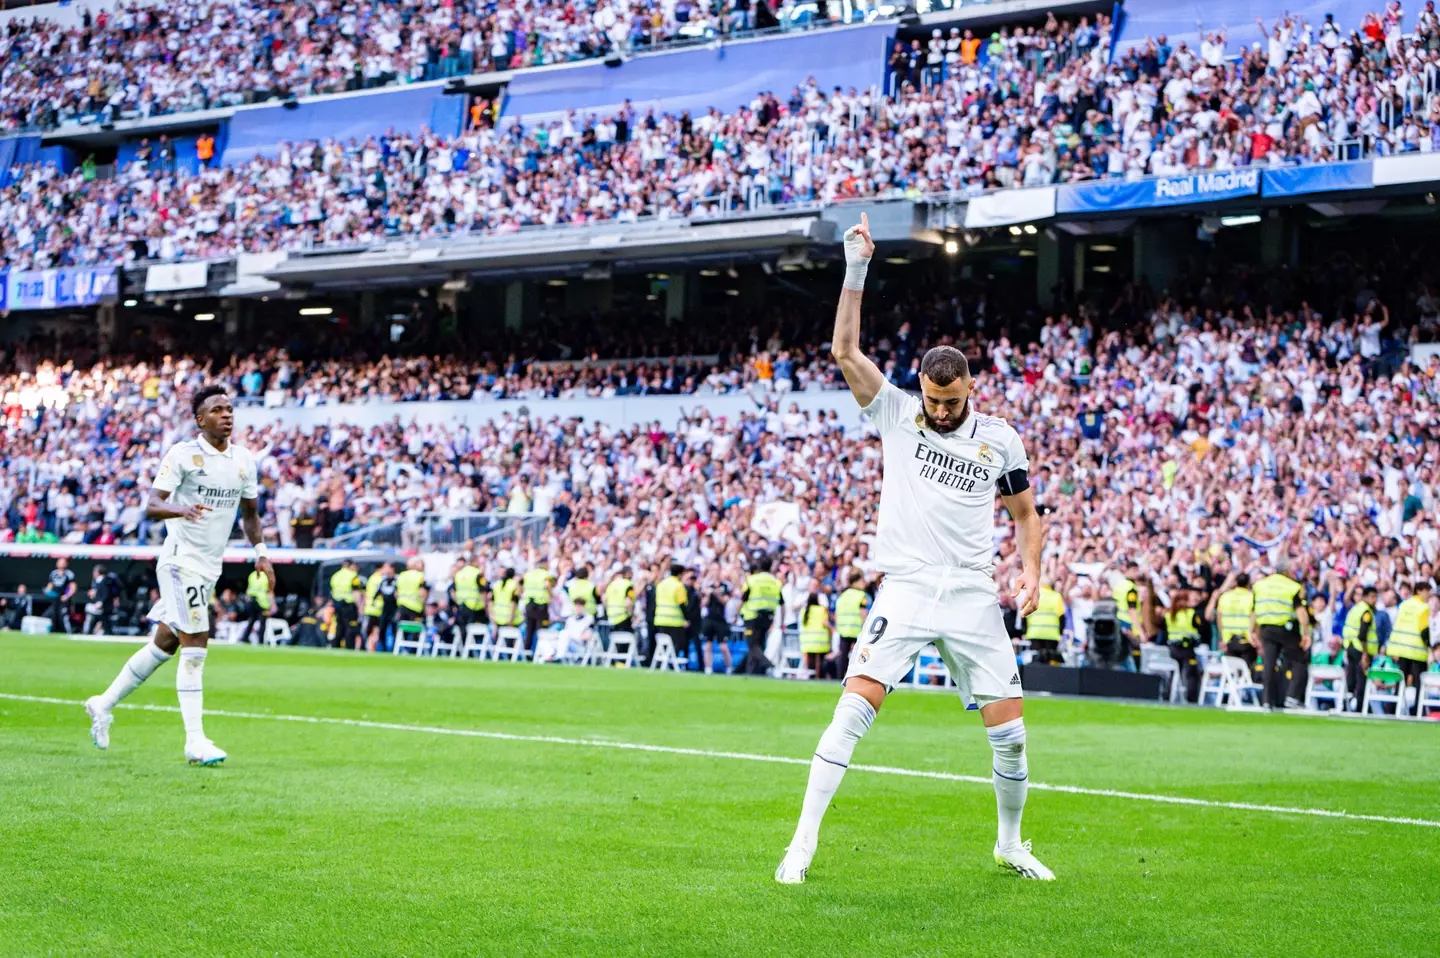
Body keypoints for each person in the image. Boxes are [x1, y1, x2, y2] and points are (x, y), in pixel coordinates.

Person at [776, 213, 1054, 884]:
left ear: (970, 389)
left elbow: (1025, 514)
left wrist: (1032, 571)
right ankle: (801, 844)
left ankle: (1010, 844)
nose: (940, 410)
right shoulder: (899, 413)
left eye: (950, 401)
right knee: (853, 710)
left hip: (972, 593)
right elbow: (845, 351)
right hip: (906, 587)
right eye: (933, 399)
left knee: (1011, 735)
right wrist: (857, 268)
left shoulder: (999, 439)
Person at [84, 384, 274, 766]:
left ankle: (102, 703)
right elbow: (153, 504)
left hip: (209, 567)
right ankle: (195, 742)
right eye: (217, 410)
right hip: (179, 561)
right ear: (200, 420)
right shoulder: (183, 455)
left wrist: (261, 553)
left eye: (229, 409)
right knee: (197, 644)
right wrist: (181, 509)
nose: (226, 415)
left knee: (165, 643)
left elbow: (250, 514)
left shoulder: (244, 460)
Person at [1251, 556, 1310, 710]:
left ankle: (1266, 701)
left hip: (1266, 629)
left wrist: (1252, 631)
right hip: (1286, 628)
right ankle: (1292, 696)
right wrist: (1306, 633)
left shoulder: (1260, 585)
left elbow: (1254, 611)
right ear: (1287, 570)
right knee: (1299, 661)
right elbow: (1300, 611)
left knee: (1269, 664)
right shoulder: (1292, 586)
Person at [1387, 581, 1433, 710]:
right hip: (1416, 650)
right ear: (1419, 591)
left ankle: (1394, 709)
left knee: (1401, 680)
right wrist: (1429, 647)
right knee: (1419, 682)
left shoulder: (1404, 605)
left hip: (1401, 648)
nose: (1429, 595)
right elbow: (1424, 630)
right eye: (1427, 591)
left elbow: (1398, 625)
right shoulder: (1423, 607)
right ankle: (1418, 710)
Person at [739, 555, 783, 674]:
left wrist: (736, 613)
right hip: (768, 617)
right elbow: (782, 603)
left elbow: (743, 598)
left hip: (752, 616)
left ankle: (767, 664)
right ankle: (752, 672)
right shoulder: (775, 582)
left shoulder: (752, 580)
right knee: (759, 644)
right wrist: (781, 621)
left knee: (752, 644)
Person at [1207, 571, 1257, 675]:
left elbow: (1219, 619)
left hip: (1229, 640)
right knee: (1246, 672)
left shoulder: (1225, 597)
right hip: (1246, 640)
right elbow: (1253, 617)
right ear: (1248, 583)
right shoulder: (1251, 597)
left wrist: (1222, 637)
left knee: (1232, 672)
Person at [1341, 585, 1378, 711]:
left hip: (1350, 646)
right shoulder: (1366, 612)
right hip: (1360, 649)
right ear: (1365, 597)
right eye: (1372, 597)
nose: (1374, 600)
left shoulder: (1355, 609)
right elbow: (1362, 635)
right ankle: (1360, 708)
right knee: (1361, 679)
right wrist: (1365, 654)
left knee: (1350, 679)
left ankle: (1345, 706)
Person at [651, 562, 690, 666]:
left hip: (660, 619)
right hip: (674, 621)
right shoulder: (678, 586)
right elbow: (682, 604)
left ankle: (662, 663)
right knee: (677, 644)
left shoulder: (661, 584)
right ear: (680, 574)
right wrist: (686, 619)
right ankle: (672, 664)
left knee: (663, 644)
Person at [832, 572, 869, 680]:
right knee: (860, 655)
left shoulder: (843, 595)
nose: (864, 583)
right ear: (855, 582)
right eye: (862, 581)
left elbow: (836, 611)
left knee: (843, 655)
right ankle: (857, 677)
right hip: (856, 629)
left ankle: (839, 677)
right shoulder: (861, 595)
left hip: (843, 628)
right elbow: (863, 612)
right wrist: (866, 626)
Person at [1025, 579, 1065, 665]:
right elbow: (1061, 616)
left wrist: (1024, 632)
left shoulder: (1032, 596)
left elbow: (1025, 614)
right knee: (1050, 663)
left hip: (1034, 633)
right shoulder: (1056, 596)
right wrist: (1061, 633)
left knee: (1035, 661)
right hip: (1052, 634)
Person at [452, 556, 489, 648]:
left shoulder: (459, 573)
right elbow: (483, 591)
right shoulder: (478, 574)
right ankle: (476, 649)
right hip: (475, 607)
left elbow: (453, 591)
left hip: (461, 605)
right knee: (479, 629)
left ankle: (464, 648)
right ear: (475, 562)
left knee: (464, 629)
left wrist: (457, 602)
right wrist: (486, 606)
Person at [699, 579, 733, 674]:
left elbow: (725, 602)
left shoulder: (724, 587)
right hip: (709, 619)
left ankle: (729, 667)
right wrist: (708, 595)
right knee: (708, 645)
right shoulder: (709, 587)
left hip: (721, 620)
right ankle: (708, 668)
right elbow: (703, 604)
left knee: (723, 647)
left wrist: (716, 593)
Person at [329, 559, 363, 650]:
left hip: (337, 604)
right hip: (349, 605)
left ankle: (335, 645)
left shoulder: (335, 576)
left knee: (339, 626)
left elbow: (332, 591)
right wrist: (360, 607)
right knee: (350, 626)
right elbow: (356, 592)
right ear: (351, 565)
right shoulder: (353, 576)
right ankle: (349, 646)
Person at [522, 563, 554, 654]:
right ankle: (539, 652)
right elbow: (547, 585)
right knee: (541, 631)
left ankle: (527, 652)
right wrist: (551, 595)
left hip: (529, 605)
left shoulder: (529, 574)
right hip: (541, 606)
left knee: (529, 630)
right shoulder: (545, 574)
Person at [364, 563, 398, 651]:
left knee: (380, 629)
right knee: (379, 629)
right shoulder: (380, 579)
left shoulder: (375, 578)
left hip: (381, 608)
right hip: (379, 609)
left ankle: (378, 648)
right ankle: (378, 647)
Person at [799, 590, 831, 679]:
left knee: (811, 661)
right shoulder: (821, 610)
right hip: (820, 640)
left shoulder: (804, 611)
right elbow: (825, 623)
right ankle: (819, 676)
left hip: (808, 641)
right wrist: (832, 630)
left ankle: (811, 676)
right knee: (820, 661)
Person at [241, 563, 274, 644]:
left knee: (252, 620)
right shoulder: (268, 576)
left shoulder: (252, 575)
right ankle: (260, 641)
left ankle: (244, 638)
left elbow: (248, 589)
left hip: (251, 601)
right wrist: (273, 605)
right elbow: (269, 592)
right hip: (262, 603)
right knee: (262, 622)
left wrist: (247, 601)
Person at [395, 558, 428, 635]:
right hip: (416, 608)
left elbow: (396, 593)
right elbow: (422, 593)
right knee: (416, 631)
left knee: (402, 631)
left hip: (402, 606)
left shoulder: (401, 575)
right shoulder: (420, 576)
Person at [44, 557, 77, 633]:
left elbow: (73, 587)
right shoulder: (53, 573)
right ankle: (52, 631)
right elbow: (50, 585)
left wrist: (67, 596)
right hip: (55, 599)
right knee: (51, 615)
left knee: (63, 617)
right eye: (59, 562)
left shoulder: (69, 574)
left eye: (63, 562)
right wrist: (47, 591)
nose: (61, 564)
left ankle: (69, 632)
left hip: (64, 600)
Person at [603, 566, 636, 638]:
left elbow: (604, 599)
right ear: (628, 573)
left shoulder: (612, 584)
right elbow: (628, 602)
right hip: (623, 617)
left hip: (611, 617)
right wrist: (631, 615)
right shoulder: (628, 585)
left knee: (615, 640)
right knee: (626, 641)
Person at [490, 567, 521, 637]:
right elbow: (513, 602)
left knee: (498, 640)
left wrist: (492, 615)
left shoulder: (497, 583)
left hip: (498, 618)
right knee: (509, 641)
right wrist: (511, 619)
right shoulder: (514, 584)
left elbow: (491, 601)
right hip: (509, 619)